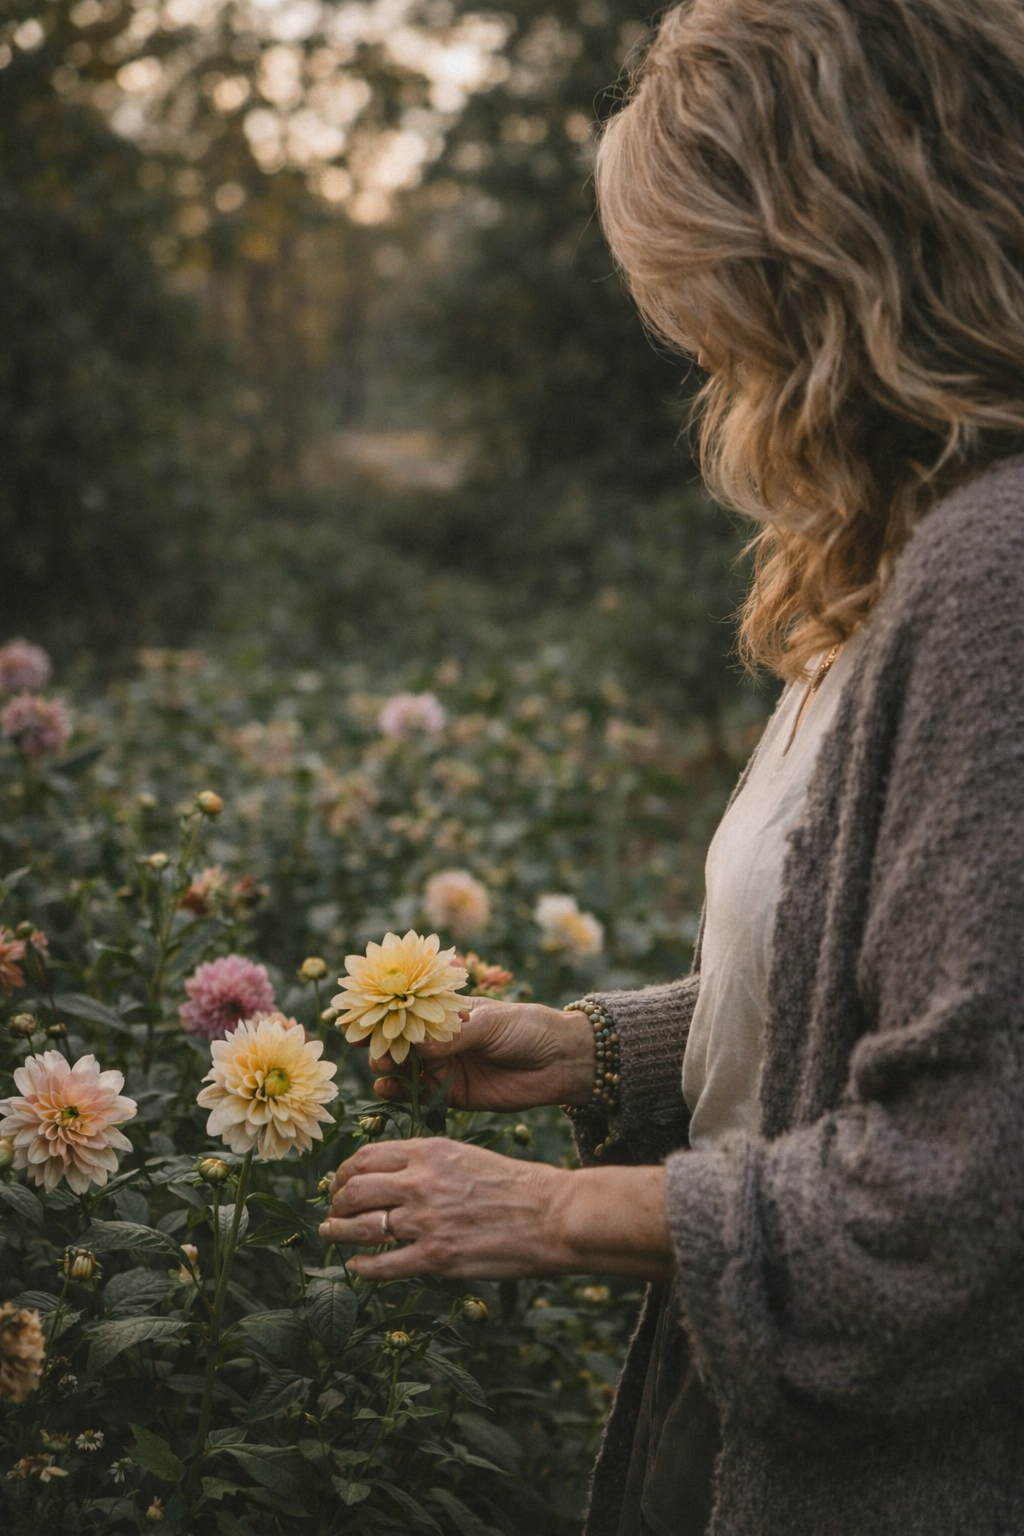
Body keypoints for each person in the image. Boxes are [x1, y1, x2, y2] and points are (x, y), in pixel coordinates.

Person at [319, 1, 1024, 1530]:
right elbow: (923, 983)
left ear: (823, 258)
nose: (696, 343)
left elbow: (963, 1200)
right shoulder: (906, 545)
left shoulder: (997, 580)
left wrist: (555, 1212)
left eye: (701, 286)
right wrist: (608, 1057)